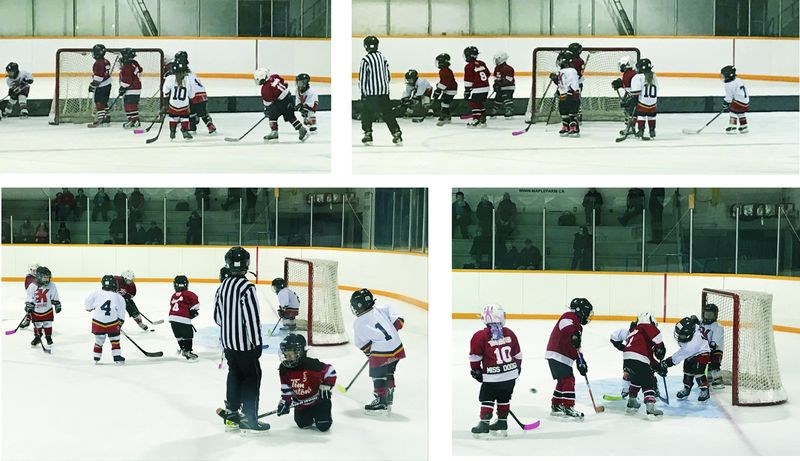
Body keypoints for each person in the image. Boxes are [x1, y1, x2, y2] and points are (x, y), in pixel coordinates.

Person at [214, 247, 269, 433]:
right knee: (252, 378)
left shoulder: (222, 287)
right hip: (245, 346)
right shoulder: (247, 288)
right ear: (246, 264)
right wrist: (257, 343)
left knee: (234, 375)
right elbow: (252, 319)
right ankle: (249, 418)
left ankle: (231, 413)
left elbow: (218, 318)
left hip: (228, 344)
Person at [469, 304, 522, 437]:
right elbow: (518, 355)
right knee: (504, 398)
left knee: (487, 398)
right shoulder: (509, 332)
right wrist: (517, 368)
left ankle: (484, 423)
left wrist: (476, 371)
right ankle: (502, 422)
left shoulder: (480, 336)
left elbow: (475, 357)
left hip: (492, 377)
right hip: (510, 375)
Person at [351, 288, 405, 414]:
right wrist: (393, 327)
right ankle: (389, 394)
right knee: (389, 370)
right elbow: (399, 321)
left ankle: (381, 400)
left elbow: (362, 344)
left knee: (377, 373)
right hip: (397, 347)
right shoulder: (380, 309)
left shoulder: (358, 322)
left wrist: (371, 355)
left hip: (382, 352)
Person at [276, 334, 337, 432]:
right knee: (303, 424)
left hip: (319, 402)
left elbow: (330, 371)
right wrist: (285, 401)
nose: (288, 358)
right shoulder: (284, 368)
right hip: (301, 404)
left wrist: (327, 385)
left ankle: (321, 414)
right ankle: (309, 416)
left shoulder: (311, 365)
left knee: (323, 426)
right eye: (286, 354)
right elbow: (286, 387)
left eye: (291, 354)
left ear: (300, 352)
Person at [545, 298, 593, 419]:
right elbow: (565, 325)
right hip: (558, 354)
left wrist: (580, 360)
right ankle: (568, 407)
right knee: (568, 380)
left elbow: (576, 345)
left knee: (562, 381)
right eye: (587, 313)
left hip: (560, 355)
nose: (588, 316)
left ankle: (556, 405)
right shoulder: (569, 316)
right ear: (581, 311)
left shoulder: (578, 326)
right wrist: (574, 334)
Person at [358, 35, 402, 146]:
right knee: (388, 113)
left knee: (367, 113)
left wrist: (363, 93)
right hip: (384, 92)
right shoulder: (383, 57)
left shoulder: (365, 60)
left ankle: (368, 133)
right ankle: (396, 132)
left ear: (366, 46)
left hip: (372, 94)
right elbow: (388, 76)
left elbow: (363, 78)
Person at [659, 316, 711, 402]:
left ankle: (704, 390)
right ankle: (687, 388)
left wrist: (667, 363)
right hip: (692, 352)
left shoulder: (691, 345)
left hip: (702, 353)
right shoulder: (693, 329)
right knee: (687, 370)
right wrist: (694, 320)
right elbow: (695, 322)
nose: (679, 337)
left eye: (682, 335)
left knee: (698, 371)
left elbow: (678, 356)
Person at [624, 313, 666, 416]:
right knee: (648, 380)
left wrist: (657, 366)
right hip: (639, 358)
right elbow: (656, 335)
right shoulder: (646, 327)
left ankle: (632, 401)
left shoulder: (635, 332)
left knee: (637, 379)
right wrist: (660, 346)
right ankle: (650, 406)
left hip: (627, 359)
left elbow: (648, 357)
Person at [254, 68, 309, 143]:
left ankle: (301, 130)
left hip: (282, 102)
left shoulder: (265, 89)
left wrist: (266, 110)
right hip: (288, 98)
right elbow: (284, 83)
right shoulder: (274, 76)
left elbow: (268, 103)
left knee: (275, 115)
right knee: (287, 116)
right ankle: (276, 132)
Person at [85, 275, 126, 364]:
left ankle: (96, 357)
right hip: (112, 323)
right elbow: (121, 312)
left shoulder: (95, 293)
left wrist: (89, 308)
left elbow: (87, 302)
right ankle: (117, 357)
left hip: (97, 323)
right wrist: (120, 323)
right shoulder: (118, 297)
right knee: (115, 340)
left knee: (99, 341)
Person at [173, 51, 216, 135]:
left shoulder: (182, 72)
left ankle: (192, 126)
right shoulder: (190, 72)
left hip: (194, 96)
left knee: (190, 109)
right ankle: (210, 125)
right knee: (202, 112)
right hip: (202, 94)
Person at [25, 267, 61, 351]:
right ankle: (37, 337)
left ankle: (48, 337)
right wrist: (29, 305)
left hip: (47, 309)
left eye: (48, 277)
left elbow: (54, 296)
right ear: (38, 276)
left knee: (48, 324)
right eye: (44, 277)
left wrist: (57, 304)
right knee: (37, 325)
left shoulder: (52, 285)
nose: (47, 279)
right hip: (36, 310)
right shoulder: (32, 286)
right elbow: (29, 297)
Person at [162, 59, 196, 140]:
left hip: (173, 104)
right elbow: (192, 95)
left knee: (173, 117)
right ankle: (184, 130)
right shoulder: (189, 79)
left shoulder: (169, 78)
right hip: (184, 105)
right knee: (185, 117)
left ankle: (172, 130)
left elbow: (165, 92)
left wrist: (165, 103)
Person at [169, 275, 200, 361]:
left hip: (172, 319)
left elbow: (172, 305)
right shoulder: (189, 294)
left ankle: (183, 349)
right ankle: (188, 351)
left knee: (179, 335)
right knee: (188, 335)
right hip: (183, 319)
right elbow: (196, 305)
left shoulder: (173, 295)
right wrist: (194, 311)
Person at [552, 51, 580, 136]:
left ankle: (574, 127)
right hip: (563, 95)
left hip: (571, 95)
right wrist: (555, 80)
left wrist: (574, 92)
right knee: (563, 111)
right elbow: (563, 83)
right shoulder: (562, 71)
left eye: (560, 60)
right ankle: (566, 126)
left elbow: (574, 83)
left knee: (572, 111)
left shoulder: (571, 71)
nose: (559, 62)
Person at [630, 58, 658, 140]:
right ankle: (652, 131)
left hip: (643, 103)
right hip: (653, 103)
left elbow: (636, 92)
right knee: (651, 116)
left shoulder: (638, 77)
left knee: (641, 116)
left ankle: (641, 130)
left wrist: (633, 103)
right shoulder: (653, 76)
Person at [698, 303, 725, 389]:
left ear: (715, 315)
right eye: (707, 314)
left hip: (716, 348)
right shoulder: (701, 322)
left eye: (711, 315)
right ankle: (709, 377)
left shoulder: (717, 326)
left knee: (714, 364)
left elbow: (715, 340)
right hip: (705, 347)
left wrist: (712, 345)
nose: (708, 317)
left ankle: (718, 381)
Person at [463, 46, 491, 127]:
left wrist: (467, 91)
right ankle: (483, 117)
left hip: (477, 89)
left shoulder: (469, 66)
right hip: (486, 87)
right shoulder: (482, 63)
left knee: (474, 103)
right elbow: (488, 74)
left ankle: (476, 119)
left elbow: (468, 80)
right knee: (479, 103)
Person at [609, 320, 637, 399]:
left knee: (647, 372)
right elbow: (613, 337)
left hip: (641, 356)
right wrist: (621, 347)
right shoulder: (626, 333)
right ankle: (625, 390)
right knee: (627, 372)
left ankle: (653, 387)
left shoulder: (644, 336)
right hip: (630, 356)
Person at [88, 44, 113, 127]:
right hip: (108, 85)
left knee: (99, 103)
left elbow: (98, 78)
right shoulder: (106, 61)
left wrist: (92, 85)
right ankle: (107, 118)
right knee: (104, 102)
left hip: (101, 86)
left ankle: (101, 119)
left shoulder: (98, 63)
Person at [612, 55, 638, 135]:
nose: (621, 67)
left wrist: (621, 85)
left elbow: (629, 89)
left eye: (622, 65)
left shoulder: (628, 74)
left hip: (635, 97)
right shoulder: (630, 73)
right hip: (634, 96)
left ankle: (630, 128)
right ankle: (631, 127)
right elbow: (628, 88)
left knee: (630, 112)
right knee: (629, 111)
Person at [118, 48, 143, 129]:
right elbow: (140, 69)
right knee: (131, 104)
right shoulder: (134, 63)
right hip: (136, 88)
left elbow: (127, 80)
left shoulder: (127, 66)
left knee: (129, 105)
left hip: (131, 89)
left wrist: (122, 87)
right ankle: (132, 120)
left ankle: (134, 120)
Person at [720, 65, 749, 134]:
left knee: (732, 111)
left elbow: (729, 98)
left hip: (739, 103)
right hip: (746, 103)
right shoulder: (738, 80)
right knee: (741, 113)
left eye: (723, 75)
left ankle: (732, 127)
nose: (722, 77)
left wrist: (725, 104)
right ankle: (744, 126)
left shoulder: (729, 84)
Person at [433, 53, 457, 126]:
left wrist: (438, 90)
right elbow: (444, 82)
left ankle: (445, 116)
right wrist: (439, 87)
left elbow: (445, 82)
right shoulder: (445, 70)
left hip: (451, 90)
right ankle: (446, 115)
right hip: (449, 89)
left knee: (445, 103)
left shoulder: (444, 71)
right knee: (444, 102)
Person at [491, 51, 515, 118]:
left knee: (506, 98)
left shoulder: (508, 68)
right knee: (498, 98)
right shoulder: (496, 68)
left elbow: (509, 80)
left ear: (502, 59)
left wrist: (501, 83)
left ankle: (509, 110)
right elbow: (496, 78)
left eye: (497, 59)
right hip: (500, 87)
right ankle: (495, 109)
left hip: (508, 87)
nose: (496, 61)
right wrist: (495, 84)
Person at [20, 263, 40, 329]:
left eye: (36, 270)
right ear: (30, 270)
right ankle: (29, 321)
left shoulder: (37, 276)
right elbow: (31, 289)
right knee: (30, 308)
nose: (35, 272)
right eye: (34, 270)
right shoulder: (29, 278)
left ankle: (29, 321)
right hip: (32, 297)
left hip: (39, 296)